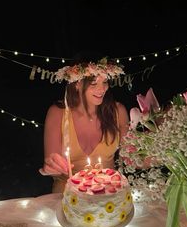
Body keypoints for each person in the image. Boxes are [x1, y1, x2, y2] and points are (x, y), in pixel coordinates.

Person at [39, 56, 129, 193]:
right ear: (77, 83)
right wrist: (50, 168)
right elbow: (53, 167)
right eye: (93, 83)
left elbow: (132, 159)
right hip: (68, 197)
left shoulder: (118, 112)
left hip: (108, 196)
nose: (102, 89)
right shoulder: (57, 113)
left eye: (105, 81)